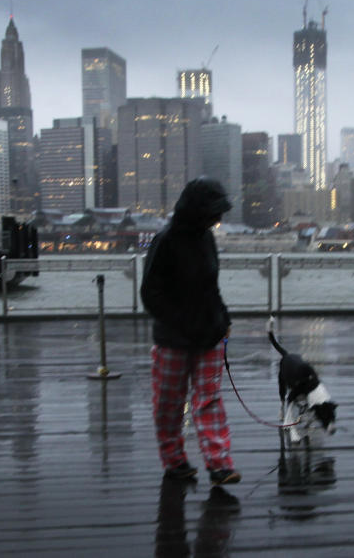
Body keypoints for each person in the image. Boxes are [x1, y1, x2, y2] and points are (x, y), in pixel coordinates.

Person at [141, 177, 241, 485]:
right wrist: (183, 321)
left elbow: (211, 287)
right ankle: (175, 460)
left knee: (209, 400)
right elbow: (150, 293)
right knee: (169, 405)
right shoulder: (166, 240)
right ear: (198, 210)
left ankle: (219, 464)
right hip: (174, 339)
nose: (219, 219)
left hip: (210, 335)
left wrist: (222, 318)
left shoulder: (207, 238)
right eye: (214, 212)